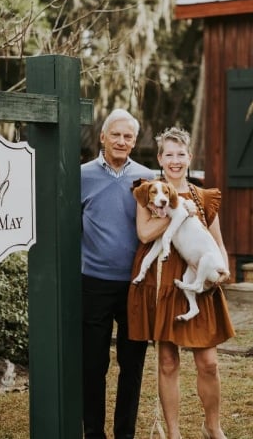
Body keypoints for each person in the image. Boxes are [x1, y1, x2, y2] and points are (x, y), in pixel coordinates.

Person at [128, 127, 235, 439]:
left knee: (209, 363)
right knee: (167, 362)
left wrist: (224, 270)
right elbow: (145, 234)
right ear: (160, 158)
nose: (175, 161)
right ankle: (173, 433)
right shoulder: (149, 191)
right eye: (169, 154)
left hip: (198, 282)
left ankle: (212, 426)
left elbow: (218, 243)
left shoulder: (203, 198)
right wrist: (174, 212)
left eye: (181, 154)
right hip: (163, 281)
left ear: (190, 157)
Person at [81, 109, 155, 438]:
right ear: (102, 137)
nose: (121, 141)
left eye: (128, 136)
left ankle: (125, 434)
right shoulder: (81, 175)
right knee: (93, 366)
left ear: (134, 141)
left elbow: (155, 225)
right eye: (116, 134)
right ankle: (93, 433)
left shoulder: (146, 177)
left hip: (135, 286)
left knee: (132, 365)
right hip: (93, 283)